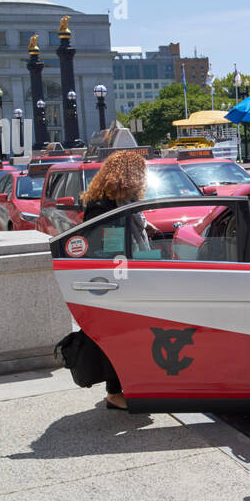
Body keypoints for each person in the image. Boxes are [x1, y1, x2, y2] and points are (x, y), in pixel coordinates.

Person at [79, 149, 153, 410]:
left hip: (132, 274)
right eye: (140, 174)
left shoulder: (127, 201)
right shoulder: (102, 206)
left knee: (134, 333)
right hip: (113, 278)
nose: (143, 180)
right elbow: (96, 244)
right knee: (118, 335)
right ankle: (114, 391)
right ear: (128, 176)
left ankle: (133, 384)